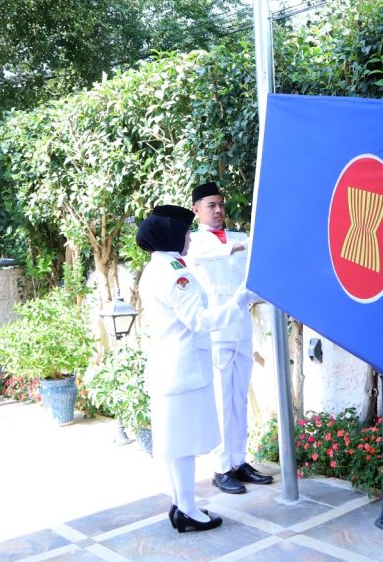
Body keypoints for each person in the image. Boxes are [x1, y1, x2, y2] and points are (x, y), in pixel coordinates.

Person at [135, 204, 253, 533]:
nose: (189, 237)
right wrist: (240, 300)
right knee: (184, 442)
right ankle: (186, 508)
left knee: (176, 443)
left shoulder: (157, 267)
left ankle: (180, 503)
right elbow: (199, 320)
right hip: (184, 369)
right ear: (172, 235)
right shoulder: (176, 273)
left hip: (169, 366)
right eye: (186, 232)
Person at [187, 182, 274, 495]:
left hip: (241, 326)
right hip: (215, 328)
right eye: (211, 205)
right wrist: (236, 247)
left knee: (239, 397)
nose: (218, 210)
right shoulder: (195, 242)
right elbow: (207, 253)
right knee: (222, 400)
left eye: (221, 204)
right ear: (197, 209)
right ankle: (221, 467)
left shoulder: (239, 237)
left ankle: (239, 460)